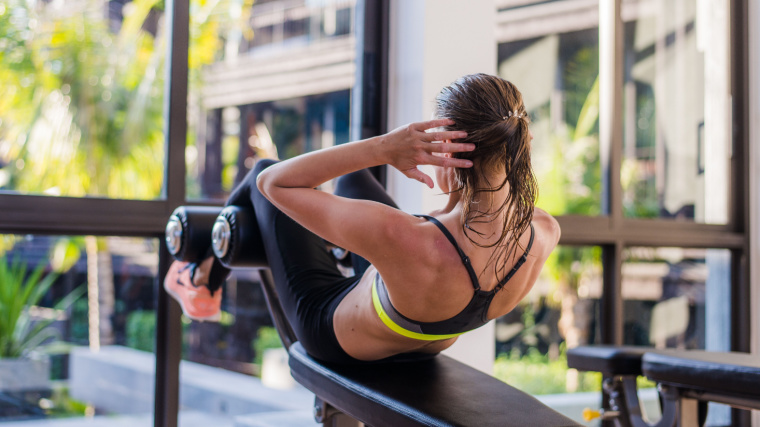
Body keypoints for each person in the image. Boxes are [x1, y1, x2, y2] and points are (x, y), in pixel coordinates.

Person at [165, 73, 560, 364]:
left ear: (450, 151)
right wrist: (455, 191)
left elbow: (272, 183)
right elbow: (462, 240)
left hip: (333, 332)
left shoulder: (404, 237)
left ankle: (200, 279)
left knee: (262, 167)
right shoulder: (543, 231)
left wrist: (387, 147)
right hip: (426, 328)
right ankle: (327, 250)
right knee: (355, 176)